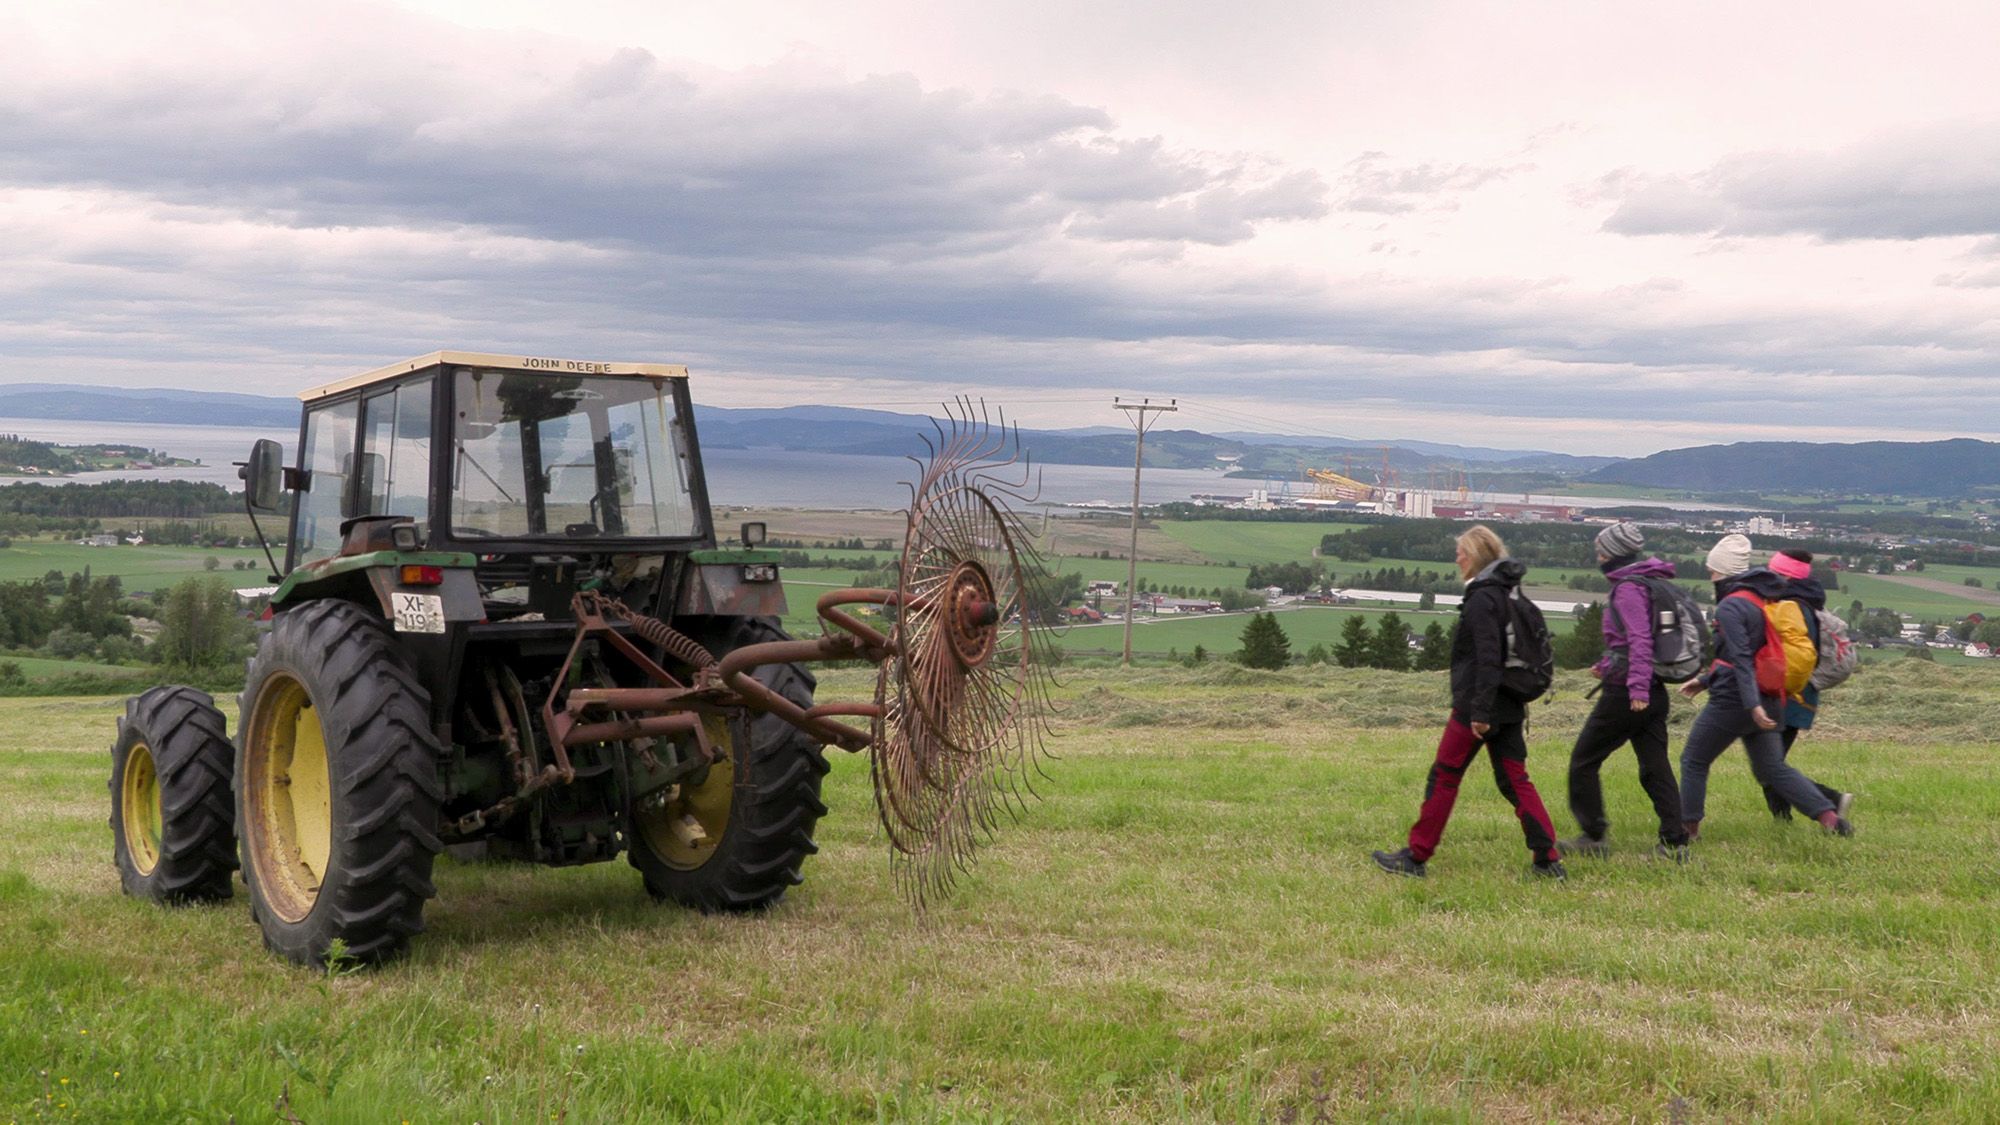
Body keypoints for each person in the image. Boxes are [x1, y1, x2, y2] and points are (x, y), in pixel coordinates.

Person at [1372, 525, 1566, 880]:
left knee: (1444, 776)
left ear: (1475, 557)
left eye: (1461, 553)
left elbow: (1488, 657)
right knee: (1516, 781)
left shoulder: (1482, 599)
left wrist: (1479, 711)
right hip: (1510, 704)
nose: (1457, 558)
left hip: (1479, 705)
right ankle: (1548, 860)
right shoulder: (1510, 594)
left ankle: (1416, 857)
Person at [1677, 534, 1853, 838]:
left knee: (1693, 760)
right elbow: (1755, 655)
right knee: (1772, 769)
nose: (1710, 575)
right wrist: (1706, 681)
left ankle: (1686, 832)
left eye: (1712, 570)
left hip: (1736, 699)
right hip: (1772, 694)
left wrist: (1752, 705)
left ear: (1722, 572)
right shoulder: (1765, 600)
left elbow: (1741, 658)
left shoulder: (1731, 606)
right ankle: (1832, 819)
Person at [1561, 522, 1691, 862]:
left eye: (1600, 552)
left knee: (1583, 762)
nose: (1598, 557)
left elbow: (1640, 639)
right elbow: (1628, 641)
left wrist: (1636, 689)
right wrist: (1605, 665)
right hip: (1653, 689)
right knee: (1655, 768)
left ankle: (1593, 837)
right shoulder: (1649, 582)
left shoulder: (1628, 589)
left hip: (1628, 693)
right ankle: (1675, 843)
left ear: (1612, 554)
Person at [1760, 548, 1854, 823]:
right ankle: (1783, 820)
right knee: (1770, 764)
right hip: (1799, 694)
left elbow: (1794, 656)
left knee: (1770, 766)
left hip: (1790, 694)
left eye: (1773, 571)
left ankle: (1830, 800)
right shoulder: (1807, 604)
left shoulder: (1793, 608)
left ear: (1785, 576)